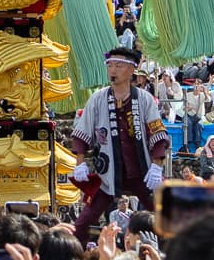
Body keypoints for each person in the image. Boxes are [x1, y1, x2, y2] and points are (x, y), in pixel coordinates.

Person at [70, 47, 170, 241]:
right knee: (84, 221)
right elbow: (83, 131)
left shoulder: (144, 99)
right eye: (110, 65)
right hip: (108, 173)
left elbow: (157, 132)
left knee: (163, 215)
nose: (112, 70)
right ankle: (74, 256)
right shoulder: (97, 99)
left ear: (132, 70)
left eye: (118, 65)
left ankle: (170, 258)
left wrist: (157, 167)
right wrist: (80, 162)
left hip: (142, 171)